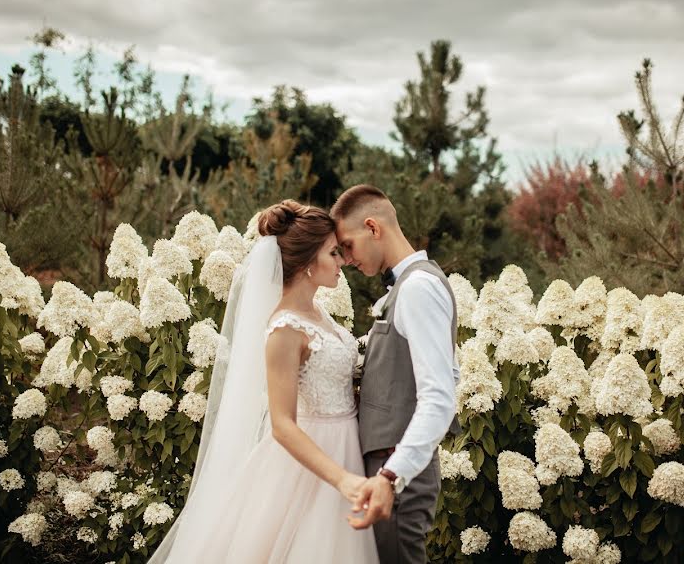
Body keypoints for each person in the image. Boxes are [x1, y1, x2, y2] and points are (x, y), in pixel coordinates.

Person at [148, 200, 379, 563]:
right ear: (305, 264)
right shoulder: (285, 329)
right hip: (312, 460)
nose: (342, 261)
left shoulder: (317, 312)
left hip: (346, 443)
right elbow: (282, 425)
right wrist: (341, 479)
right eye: (333, 254)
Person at [331, 185, 459, 564]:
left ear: (372, 227)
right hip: (386, 470)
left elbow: (439, 398)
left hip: (397, 476)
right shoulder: (404, 288)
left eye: (347, 245)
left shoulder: (418, 287)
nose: (346, 258)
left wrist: (391, 477)